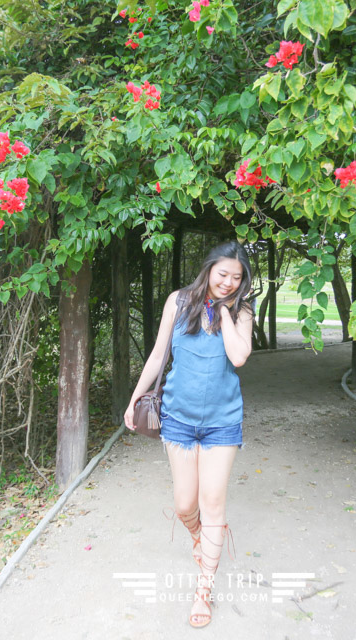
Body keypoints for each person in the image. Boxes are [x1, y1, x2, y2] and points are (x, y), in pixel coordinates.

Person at [124, 241, 255, 628]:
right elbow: (158, 354)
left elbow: (238, 356)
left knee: (212, 503)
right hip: (179, 419)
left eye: (237, 277)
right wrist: (135, 400)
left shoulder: (242, 310)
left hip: (222, 422)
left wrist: (225, 313)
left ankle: (204, 590)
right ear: (209, 268)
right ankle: (199, 539)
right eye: (223, 274)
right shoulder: (178, 301)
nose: (229, 282)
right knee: (185, 505)